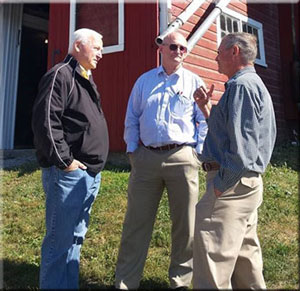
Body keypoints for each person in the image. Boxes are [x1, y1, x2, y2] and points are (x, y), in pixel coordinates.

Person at [114, 31, 207, 290]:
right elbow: (132, 117)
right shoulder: (144, 82)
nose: (179, 52)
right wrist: (133, 151)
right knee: (135, 224)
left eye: (183, 49)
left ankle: (180, 281)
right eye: (174, 47)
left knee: (185, 226)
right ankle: (125, 283)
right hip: (146, 159)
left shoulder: (193, 81)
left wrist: (196, 152)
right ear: (162, 49)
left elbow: (203, 121)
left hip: (182, 158)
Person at [192, 32, 277, 289]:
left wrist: (221, 185)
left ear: (234, 52)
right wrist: (207, 109)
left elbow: (243, 149)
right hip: (245, 186)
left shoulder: (241, 86)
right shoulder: (253, 84)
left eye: (219, 52)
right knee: (245, 262)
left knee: (212, 264)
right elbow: (231, 135)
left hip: (231, 187)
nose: (216, 57)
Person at [32, 28, 109, 289]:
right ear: (78, 46)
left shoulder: (86, 78)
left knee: (75, 239)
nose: (101, 53)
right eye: (97, 47)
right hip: (68, 174)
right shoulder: (61, 74)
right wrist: (65, 161)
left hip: (88, 175)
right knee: (59, 242)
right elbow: (46, 121)